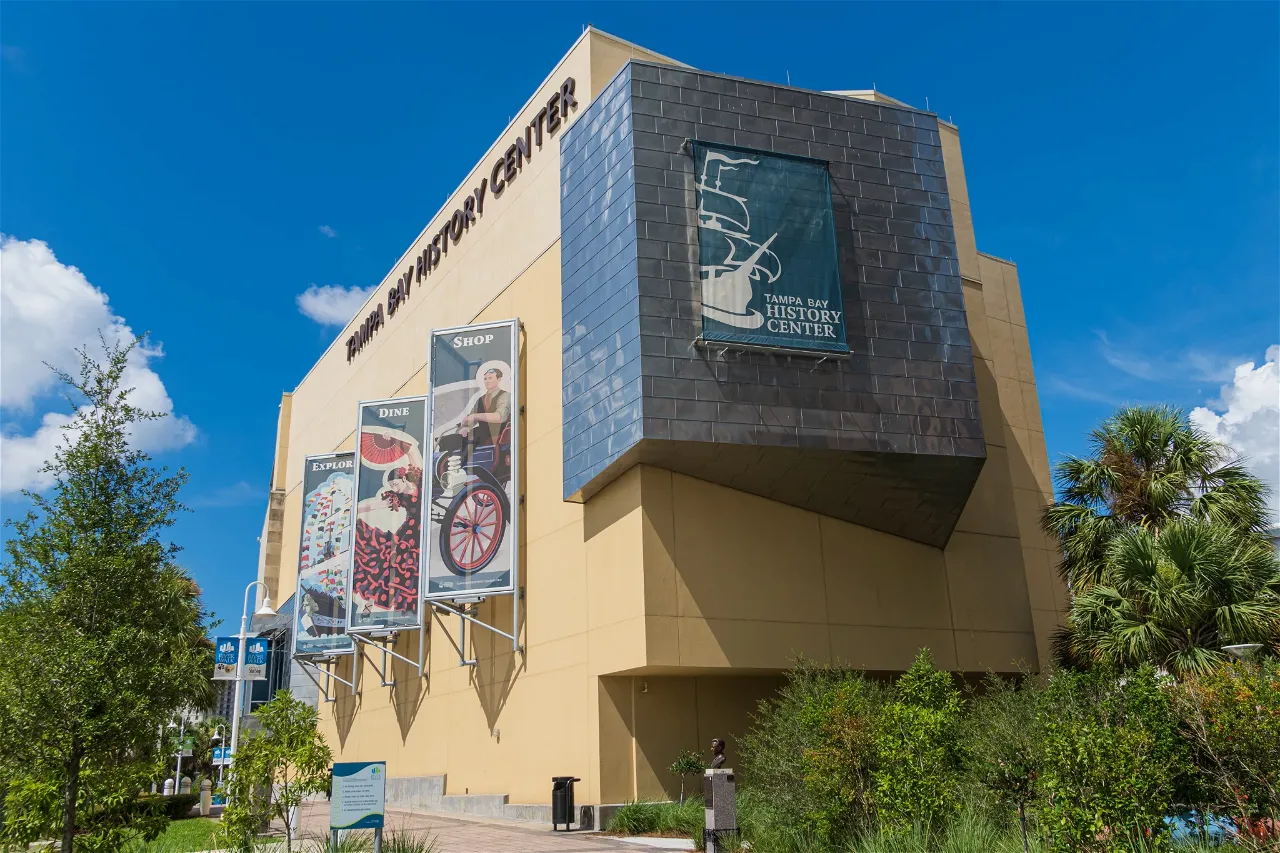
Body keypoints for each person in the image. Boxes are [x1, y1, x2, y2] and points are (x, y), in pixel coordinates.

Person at [459, 367, 511, 448]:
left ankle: (462, 460)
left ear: (499, 379)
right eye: (485, 379)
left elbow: (500, 417)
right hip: (481, 436)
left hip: (499, 437)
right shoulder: (480, 400)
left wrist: (475, 416)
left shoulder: (504, 395)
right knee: (450, 440)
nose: (487, 381)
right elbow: (471, 419)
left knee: (474, 435)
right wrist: (465, 425)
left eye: (490, 378)